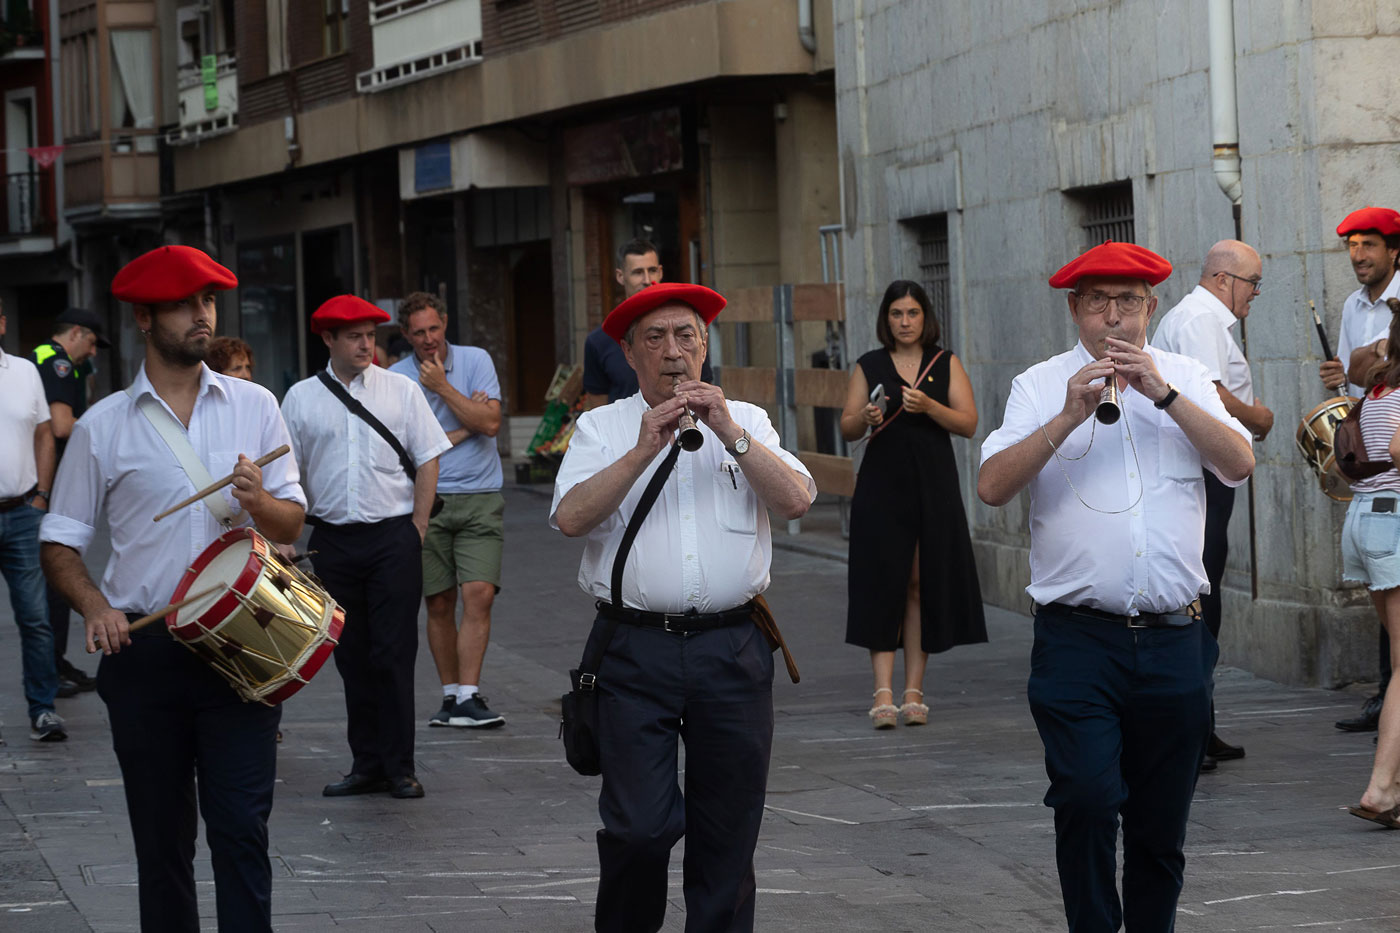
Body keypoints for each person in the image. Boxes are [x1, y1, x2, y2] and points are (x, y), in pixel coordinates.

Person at [978, 241, 1254, 933]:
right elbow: (991, 485)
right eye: (1097, 300)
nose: (1113, 316)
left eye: (1127, 301)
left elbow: (1239, 462)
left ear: (1150, 308)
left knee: (1161, 829)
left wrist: (1163, 393)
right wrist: (1069, 415)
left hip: (1176, 639)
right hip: (1079, 639)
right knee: (1088, 799)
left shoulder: (1186, 373)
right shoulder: (1040, 384)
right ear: (1076, 308)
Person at [39, 244, 307, 931]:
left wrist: (258, 502)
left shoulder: (255, 404)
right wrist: (95, 605)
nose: (203, 315)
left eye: (209, 301)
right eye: (187, 303)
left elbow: (293, 518)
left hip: (241, 641)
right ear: (144, 318)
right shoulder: (103, 426)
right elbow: (60, 539)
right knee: (162, 844)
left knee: (243, 830)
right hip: (145, 648)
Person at [551, 282, 815, 932]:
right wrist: (643, 448)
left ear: (705, 345)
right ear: (629, 353)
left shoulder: (746, 418)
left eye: (686, 336)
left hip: (733, 647)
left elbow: (797, 501)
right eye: (656, 338)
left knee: (727, 833)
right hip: (633, 650)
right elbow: (570, 517)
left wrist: (728, 431)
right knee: (639, 828)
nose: (674, 352)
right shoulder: (601, 425)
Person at [281, 295, 450, 800]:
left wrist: (417, 527)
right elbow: (288, 477)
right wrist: (288, 539)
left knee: (394, 652)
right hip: (332, 539)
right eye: (353, 336)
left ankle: (400, 766)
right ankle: (366, 763)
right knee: (350, 654)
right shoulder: (300, 398)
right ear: (327, 339)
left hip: (392, 535)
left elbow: (428, 459)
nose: (365, 344)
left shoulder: (401, 390)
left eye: (370, 335)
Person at [838, 280, 985, 728]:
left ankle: (914, 691)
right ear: (886, 319)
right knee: (884, 581)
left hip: (933, 484)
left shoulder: (945, 362)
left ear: (926, 318)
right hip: (882, 486)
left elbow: (968, 423)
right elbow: (846, 428)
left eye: (912, 313)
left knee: (922, 583)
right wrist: (864, 417)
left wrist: (929, 408)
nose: (904, 322)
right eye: (897, 314)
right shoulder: (869, 364)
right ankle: (882, 693)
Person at [1151, 240, 1274, 772]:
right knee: (1201, 595)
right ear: (1225, 279)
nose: (1255, 295)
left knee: (1206, 592)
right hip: (1202, 468)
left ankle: (1200, 721)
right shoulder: (1202, 318)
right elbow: (1210, 394)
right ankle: (1190, 725)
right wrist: (1259, 418)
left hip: (1204, 467)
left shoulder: (1202, 317)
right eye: (1253, 284)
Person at [390, 292, 507, 728]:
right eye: (418, 333)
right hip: (426, 497)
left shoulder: (476, 360)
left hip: (480, 494)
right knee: (438, 600)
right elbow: (402, 446)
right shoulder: (395, 378)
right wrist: (464, 425)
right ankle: (450, 696)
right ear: (406, 335)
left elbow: (492, 423)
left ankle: (470, 695)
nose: (427, 339)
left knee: (480, 592)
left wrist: (442, 388)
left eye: (433, 329)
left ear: (445, 324)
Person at [1320, 207, 1400, 734]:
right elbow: (1356, 376)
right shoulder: (1352, 304)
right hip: (1370, 448)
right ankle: (1385, 693)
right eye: (1352, 247)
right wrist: (1342, 373)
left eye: (1368, 245)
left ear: (1394, 250)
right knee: (1383, 580)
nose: (1359, 256)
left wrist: (1365, 367)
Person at [1341, 295, 1400, 831]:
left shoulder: (1378, 389)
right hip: (1394, 521)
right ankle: (1381, 789)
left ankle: (1392, 784)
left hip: (1366, 519)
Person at [32, 306, 109, 697]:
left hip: (41, 484)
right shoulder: (56, 361)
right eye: (93, 343)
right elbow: (63, 425)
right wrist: (108, 430)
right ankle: (51, 669)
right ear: (76, 333)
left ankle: (55, 664)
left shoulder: (45, 358)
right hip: (43, 487)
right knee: (54, 584)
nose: (94, 353)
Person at [0, 299, 63, 743]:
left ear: (2, 322)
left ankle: (43, 709)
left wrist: (41, 494)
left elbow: (45, 432)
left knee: (36, 617)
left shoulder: (25, 371)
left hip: (22, 511)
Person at [581, 238, 712, 409]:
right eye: (637, 272)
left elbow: (704, 387)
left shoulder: (689, 332)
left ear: (660, 272)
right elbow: (597, 407)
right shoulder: (598, 341)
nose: (647, 279)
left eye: (651, 271)